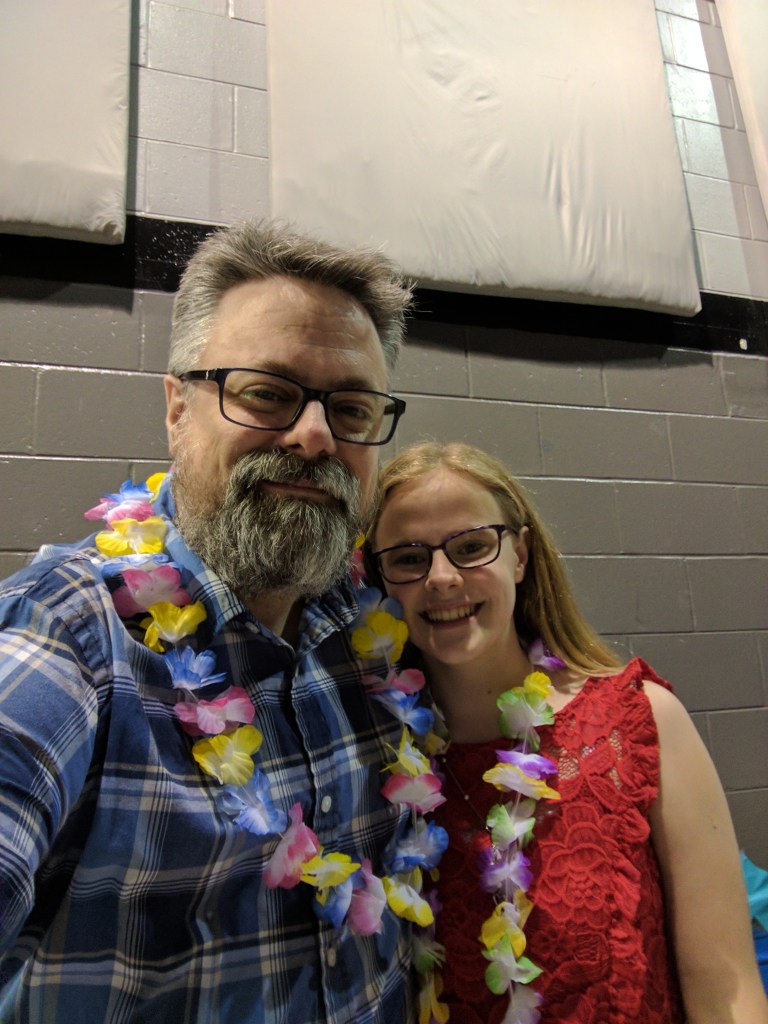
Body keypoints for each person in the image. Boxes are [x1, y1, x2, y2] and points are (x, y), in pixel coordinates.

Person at [0, 221, 418, 1023]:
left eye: (352, 407)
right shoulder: (70, 634)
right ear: (177, 409)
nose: (315, 435)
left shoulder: (380, 631)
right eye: (266, 392)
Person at [365, 440, 768, 1024]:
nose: (443, 578)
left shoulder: (639, 721)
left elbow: (726, 988)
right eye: (408, 558)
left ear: (520, 556)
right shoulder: (378, 761)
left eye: (472, 546)